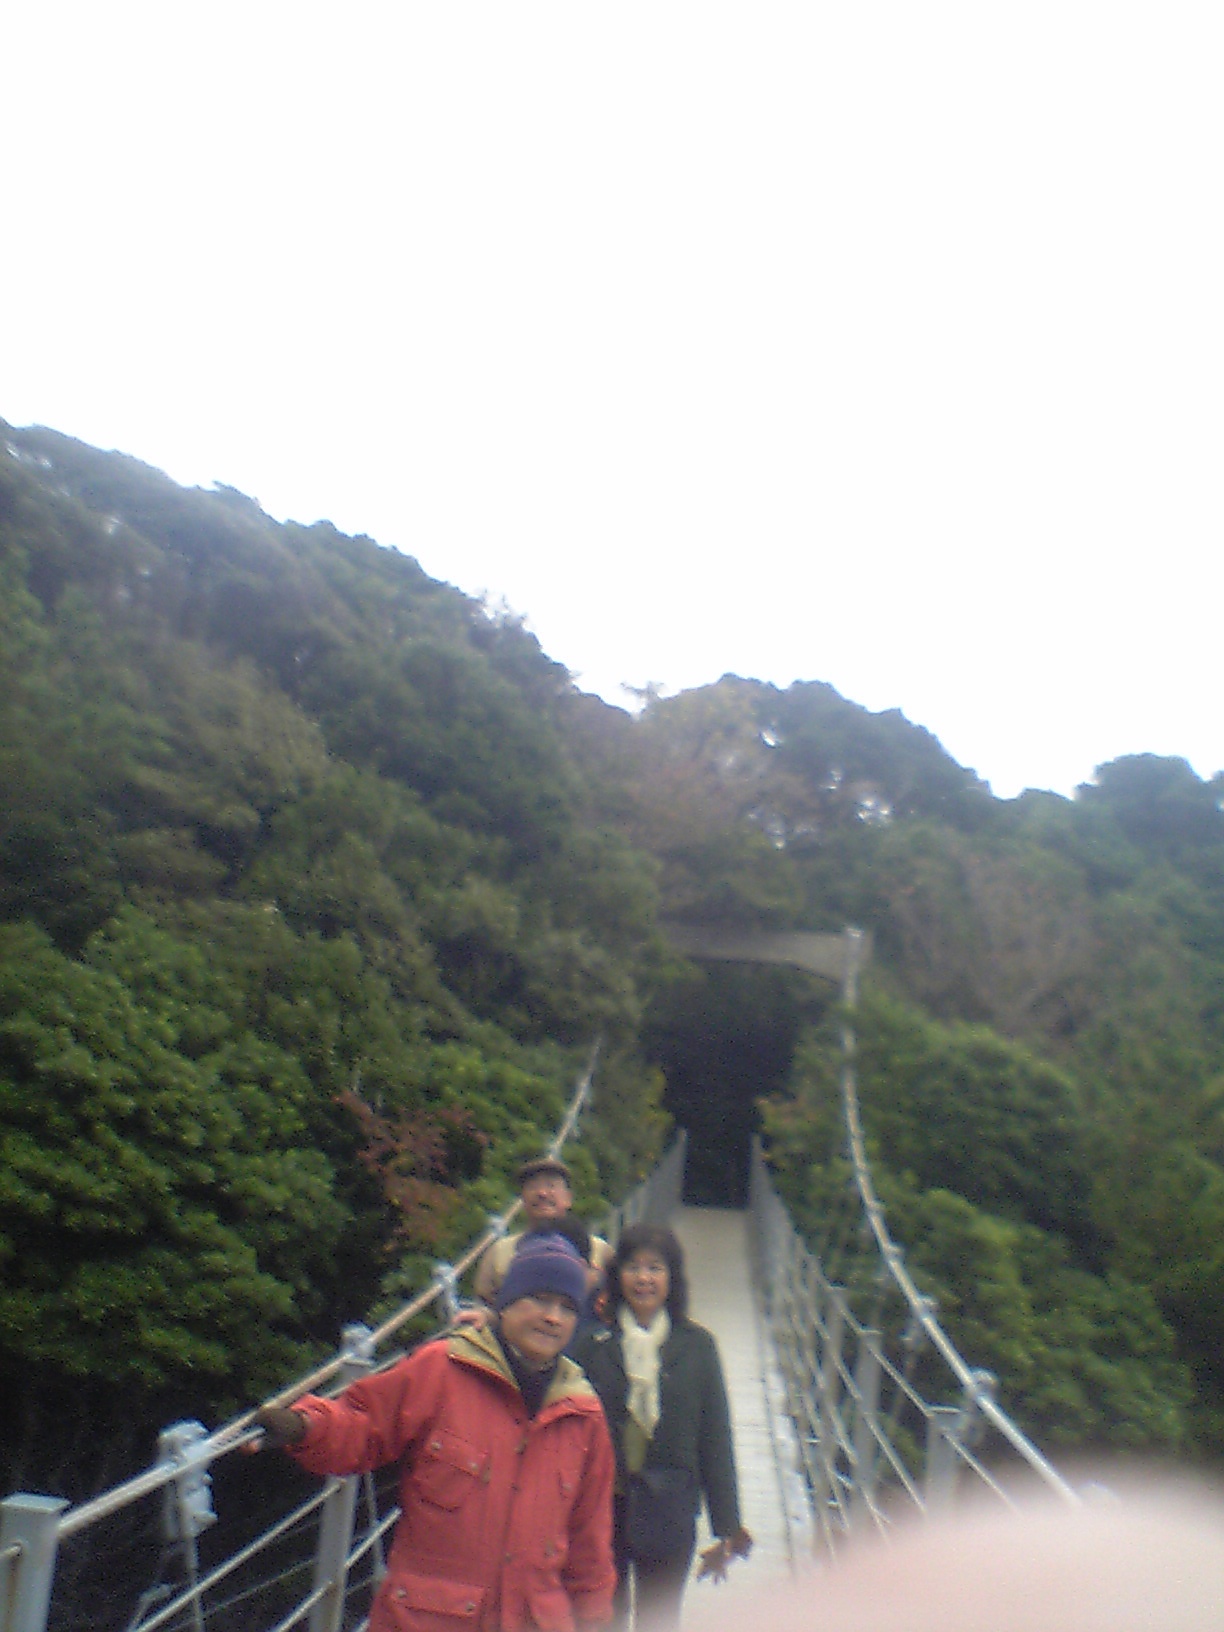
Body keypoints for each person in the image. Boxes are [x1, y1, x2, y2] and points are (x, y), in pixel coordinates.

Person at [255, 1235, 616, 1632]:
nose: (553, 1317)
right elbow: (363, 1425)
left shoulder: (583, 1415)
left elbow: (590, 1543)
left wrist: (595, 1621)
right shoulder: (442, 1370)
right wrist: (304, 1426)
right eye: (540, 1299)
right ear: (506, 1303)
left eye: (568, 1307)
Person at [572, 1223, 752, 1631]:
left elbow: (715, 1436)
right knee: (600, 1618)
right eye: (633, 1267)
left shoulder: (698, 1346)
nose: (644, 1278)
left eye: (655, 1268)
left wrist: (727, 1526)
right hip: (603, 1508)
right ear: (617, 1276)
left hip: (670, 1509)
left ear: (672, 1278)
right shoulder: (593, 1344)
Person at [474, 1155, 613, 1308]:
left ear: (568, 1198)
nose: (542, 1193)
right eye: (532, 1187)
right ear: (522, 1199)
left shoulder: (600, 1250)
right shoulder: (499, 1251)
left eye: (551, 1186)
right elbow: (483, 1304)